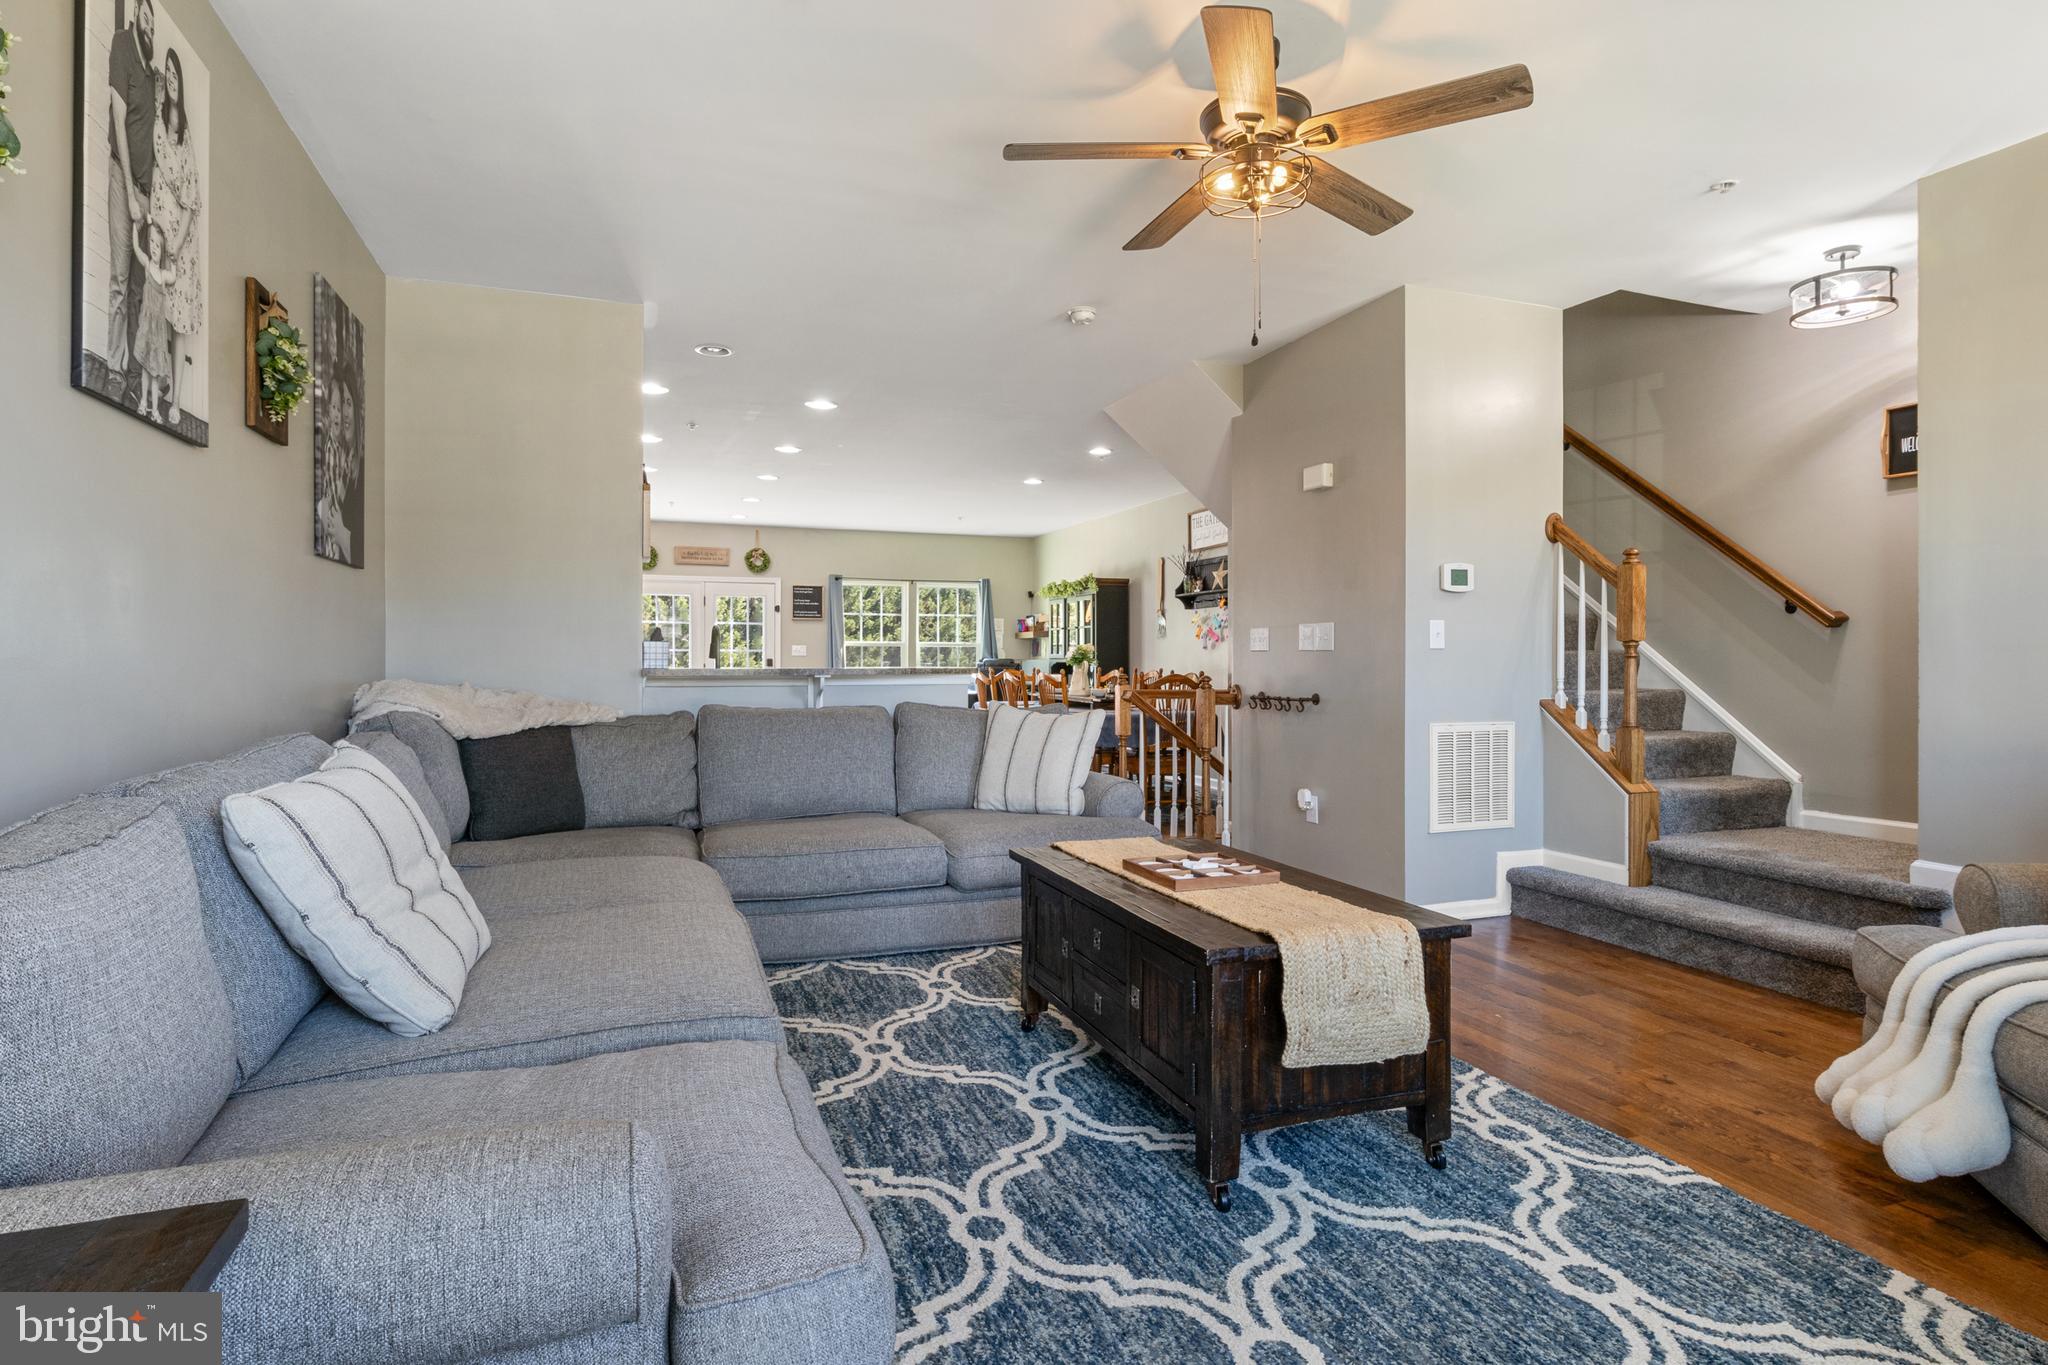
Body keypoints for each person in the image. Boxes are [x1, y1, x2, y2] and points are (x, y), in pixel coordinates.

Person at [105, 0, 158, 396]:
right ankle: (113, 367)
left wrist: (150, 198)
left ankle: (136, 374)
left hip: (147, 188)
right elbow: (120, 123)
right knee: (121, 277)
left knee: (142, 285)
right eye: (145, 18)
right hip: (123, 179)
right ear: (136, 12)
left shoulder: (152, 73)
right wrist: (130, 194)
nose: (148, 26)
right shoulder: (122, 44)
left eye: (153, 24)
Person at [148, 46, 201, 424]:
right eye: (166, 72)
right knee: (158, 311)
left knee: (179, 318)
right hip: (158, 228)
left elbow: (192, 195)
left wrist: (178, 238)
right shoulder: (157, 126)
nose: (170, 78)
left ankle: (176, 400)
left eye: (174, 72)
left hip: (182, 237)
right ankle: (155, 385)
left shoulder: (187, 140)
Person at [129, 219, 175, 418]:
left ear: (162, 249)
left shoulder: (163, 275)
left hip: (157, 333)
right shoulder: (148, 265)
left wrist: (172, 256)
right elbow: (136, 248)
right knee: (144, 371)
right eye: (152, 243)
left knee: (155, 373)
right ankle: (142, 403)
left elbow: (173, 276)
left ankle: (154, 409)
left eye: (158, 245)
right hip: (147, 327)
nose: (154, 248)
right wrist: (134, 228)